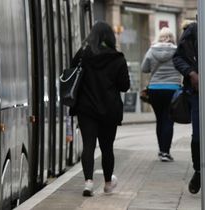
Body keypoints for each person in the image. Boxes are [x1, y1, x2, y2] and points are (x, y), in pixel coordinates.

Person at [69, 21, 130, 197]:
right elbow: (125, 86)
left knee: (88, 145)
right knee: (107, 147)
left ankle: (88, 182)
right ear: (110, 37)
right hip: (109, 109)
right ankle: (108, 184)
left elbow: (72, 73)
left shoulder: (83, 55)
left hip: (86, 108)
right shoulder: (117, 58)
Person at [141, 27, 182, 162]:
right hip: (173, 89)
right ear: (172, 37)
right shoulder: (178, 51)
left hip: (155, 89)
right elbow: (183, 67)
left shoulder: (152, 50)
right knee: (168, 120)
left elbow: (144, 68)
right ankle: (166, 152)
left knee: (160, 119)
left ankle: (161, 151)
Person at [172, 22, 200, 194]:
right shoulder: (193, 30)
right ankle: (199, 171)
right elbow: (177, 57)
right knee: (198, 134)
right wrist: (191, 73)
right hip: (197, 94)